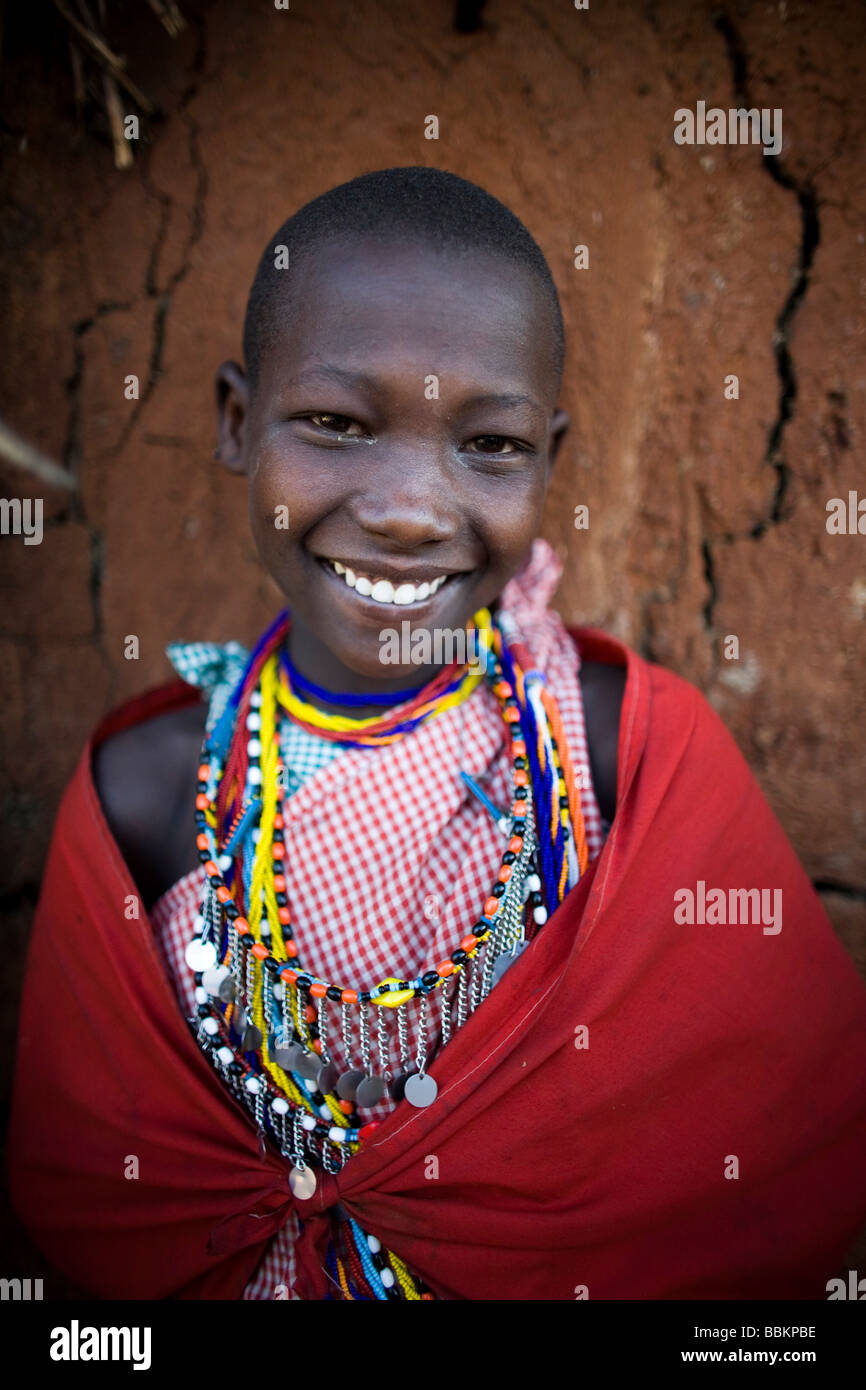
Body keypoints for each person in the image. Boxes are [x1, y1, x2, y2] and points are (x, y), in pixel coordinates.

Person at [8, 167, 866, 1301]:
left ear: (548, 458)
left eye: (490, 446)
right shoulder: (141, 794)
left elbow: (778, 1153)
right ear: (233, 423)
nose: (411, 507)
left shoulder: (621, 754)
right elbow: (93, 1208)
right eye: (333, 423)